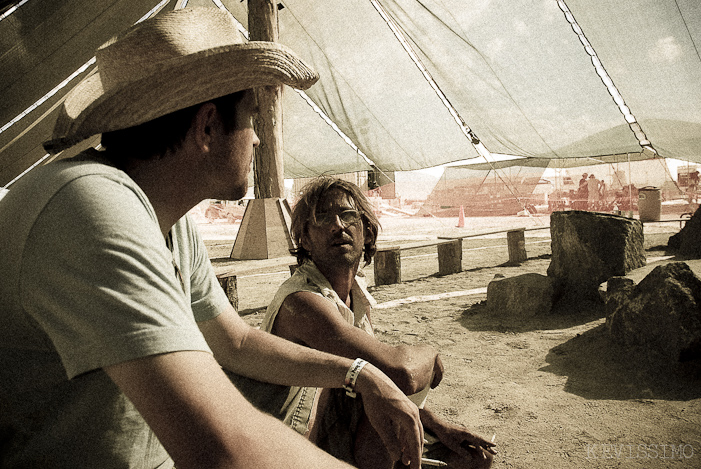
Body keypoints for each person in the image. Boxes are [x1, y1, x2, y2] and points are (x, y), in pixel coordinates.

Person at [0, 9, 424, 469]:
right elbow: (225, 450)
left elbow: (235, 341)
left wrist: (357, 373)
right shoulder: (89, 207)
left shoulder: (162, 214)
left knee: (299, 376)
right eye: (250, 119)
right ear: (207, 127)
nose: (259, 141)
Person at [250, 177, 496, 468]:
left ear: (366, 232)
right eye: (322, 218)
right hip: (288, 453)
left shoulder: (355, 297)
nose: (337, 225)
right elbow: (401, 371)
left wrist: (439, 426)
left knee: (472, 459)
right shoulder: (303, 302)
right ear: (304, 239)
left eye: (348, 215)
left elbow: (384, 379)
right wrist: (431, 352)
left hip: (332, 436)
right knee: (382, 382)